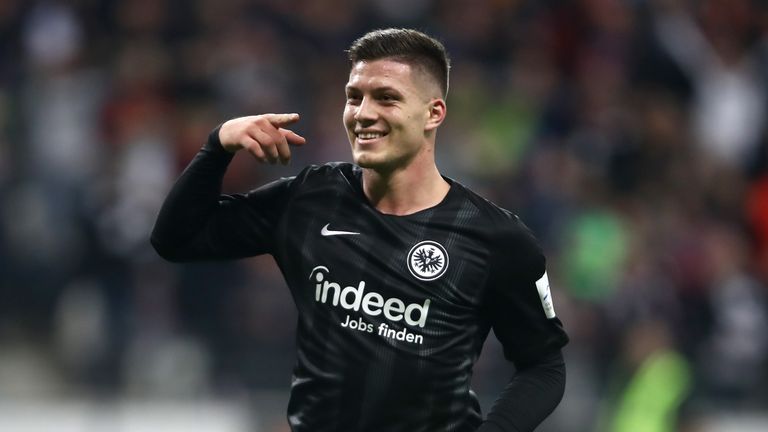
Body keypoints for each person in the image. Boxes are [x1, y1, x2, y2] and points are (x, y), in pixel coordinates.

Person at [152, 28, 568, 432]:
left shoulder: (495, 238)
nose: (363, 113)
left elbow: (544, 367)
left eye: (386, 98)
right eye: (355, 97)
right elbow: (176, 239)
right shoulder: (311, 198)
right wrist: (217, 147)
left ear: (433, 112)